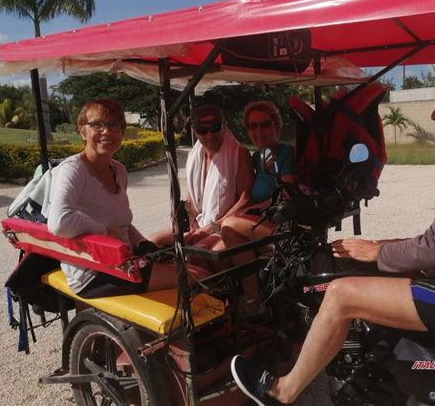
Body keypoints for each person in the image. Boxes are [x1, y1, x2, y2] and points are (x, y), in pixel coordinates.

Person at [230, 65, 435, 405]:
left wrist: (377, 252)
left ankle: (282, 392)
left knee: (343, 293)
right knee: (389, 263)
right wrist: (388, 249)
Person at [48, 99, 210, 299]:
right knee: (199, 278)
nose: (106, 132)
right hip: (95, 271)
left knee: (196, 268)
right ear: (83, 131)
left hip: (124, 259)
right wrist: (104, 231)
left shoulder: (118, 170)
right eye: (97, 124)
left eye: (114, 125)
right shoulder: (73, 170)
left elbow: (123, 224)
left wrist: (142, 243)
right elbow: (59, 223)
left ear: (122, 131)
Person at [220, 100, 294, 314]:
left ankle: (253, 299)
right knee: (212, 251)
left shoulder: (287, 152)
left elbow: (286, 193)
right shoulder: (256, 157)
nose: (258, 130)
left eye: (265, 124)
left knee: (230, 227)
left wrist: (248, 212)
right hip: (264, 223)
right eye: (253, 126)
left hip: (285, 227)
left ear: (277, 127)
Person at [148, 104, 253, 250]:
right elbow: (194, 195)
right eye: (202, 130)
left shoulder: (239, 153)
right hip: (201, 223)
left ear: (225, 126)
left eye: (215, 128)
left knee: (195, 252)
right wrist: (188, 220)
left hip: (224, 225)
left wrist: (211, 228)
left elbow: (245, 200)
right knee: (150, 243)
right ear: (194, 131)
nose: (209, 135)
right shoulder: (194, 155)